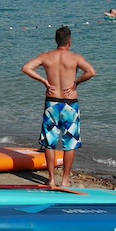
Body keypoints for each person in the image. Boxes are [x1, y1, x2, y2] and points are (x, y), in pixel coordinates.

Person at [22, 26, 96, 188]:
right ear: (69, 42)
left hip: (52, 102)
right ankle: (65, 179)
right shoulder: (74, 58)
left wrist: (44, 82)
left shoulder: (46, 57)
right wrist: (76, 82)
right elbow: (91, 72)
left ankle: (51, 179)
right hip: (70, 104)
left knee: (49, 142)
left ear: (56, 41)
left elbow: (26, 68)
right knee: (70, 142)